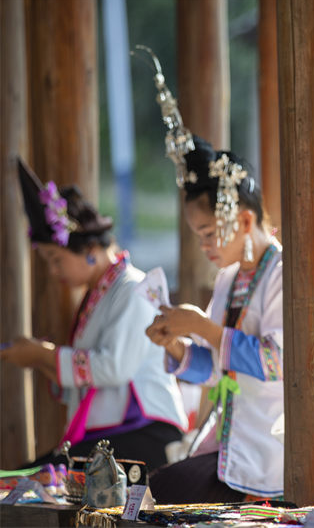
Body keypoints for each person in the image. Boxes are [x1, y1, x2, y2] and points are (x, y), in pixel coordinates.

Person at [138, 52, 285, 503]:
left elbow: (278, 363)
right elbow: (212, 368)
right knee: (155, 489)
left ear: (242, 221)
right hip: (229, 441)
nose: (204, 247)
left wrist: (199, 324)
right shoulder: (229, 279)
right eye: (196, 235)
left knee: (162, 492)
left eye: (207, 233)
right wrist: (176, 344)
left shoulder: (282, 273)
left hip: (273, 445)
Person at [4, 159, 187, 471]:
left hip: (143, 432)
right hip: (112, 435)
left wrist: (44, 355)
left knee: (32, 480)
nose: (52, 270)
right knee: (30, 478)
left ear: (89, 248)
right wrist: (38, 358)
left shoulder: (132, 288)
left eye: (55, 259)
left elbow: (112, 367)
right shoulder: (101, 293)